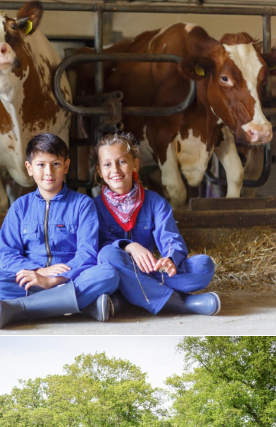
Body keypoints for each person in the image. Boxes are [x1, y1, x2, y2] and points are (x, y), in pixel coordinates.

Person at [0, 133, 119, 329]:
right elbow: (6, 253)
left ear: (66, 166)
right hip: (32, 279)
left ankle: (19, 309)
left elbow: (87, 253)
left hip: (70, 278)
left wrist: (52, 280)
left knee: (108, 274)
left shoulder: (82, 204)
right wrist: (39, 273)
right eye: (41, 165)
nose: (49, 172)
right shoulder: (20, 207)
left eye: (55, 164)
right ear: (29, 168)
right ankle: (83, 306)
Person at [92, 132, 219, 315]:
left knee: (203, 266)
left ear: (135, 164)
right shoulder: (93, 207)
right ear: (99, 171)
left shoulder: (155, 202)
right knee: (108, 254)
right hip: (114, 271)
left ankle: (126, 298)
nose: (115, 170)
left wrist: (170, 259)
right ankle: (180, 303)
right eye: (107, 164)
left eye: (122, 162)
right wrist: (129, 246)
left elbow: (171, 238)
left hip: (149, 272)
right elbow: (97, 246)